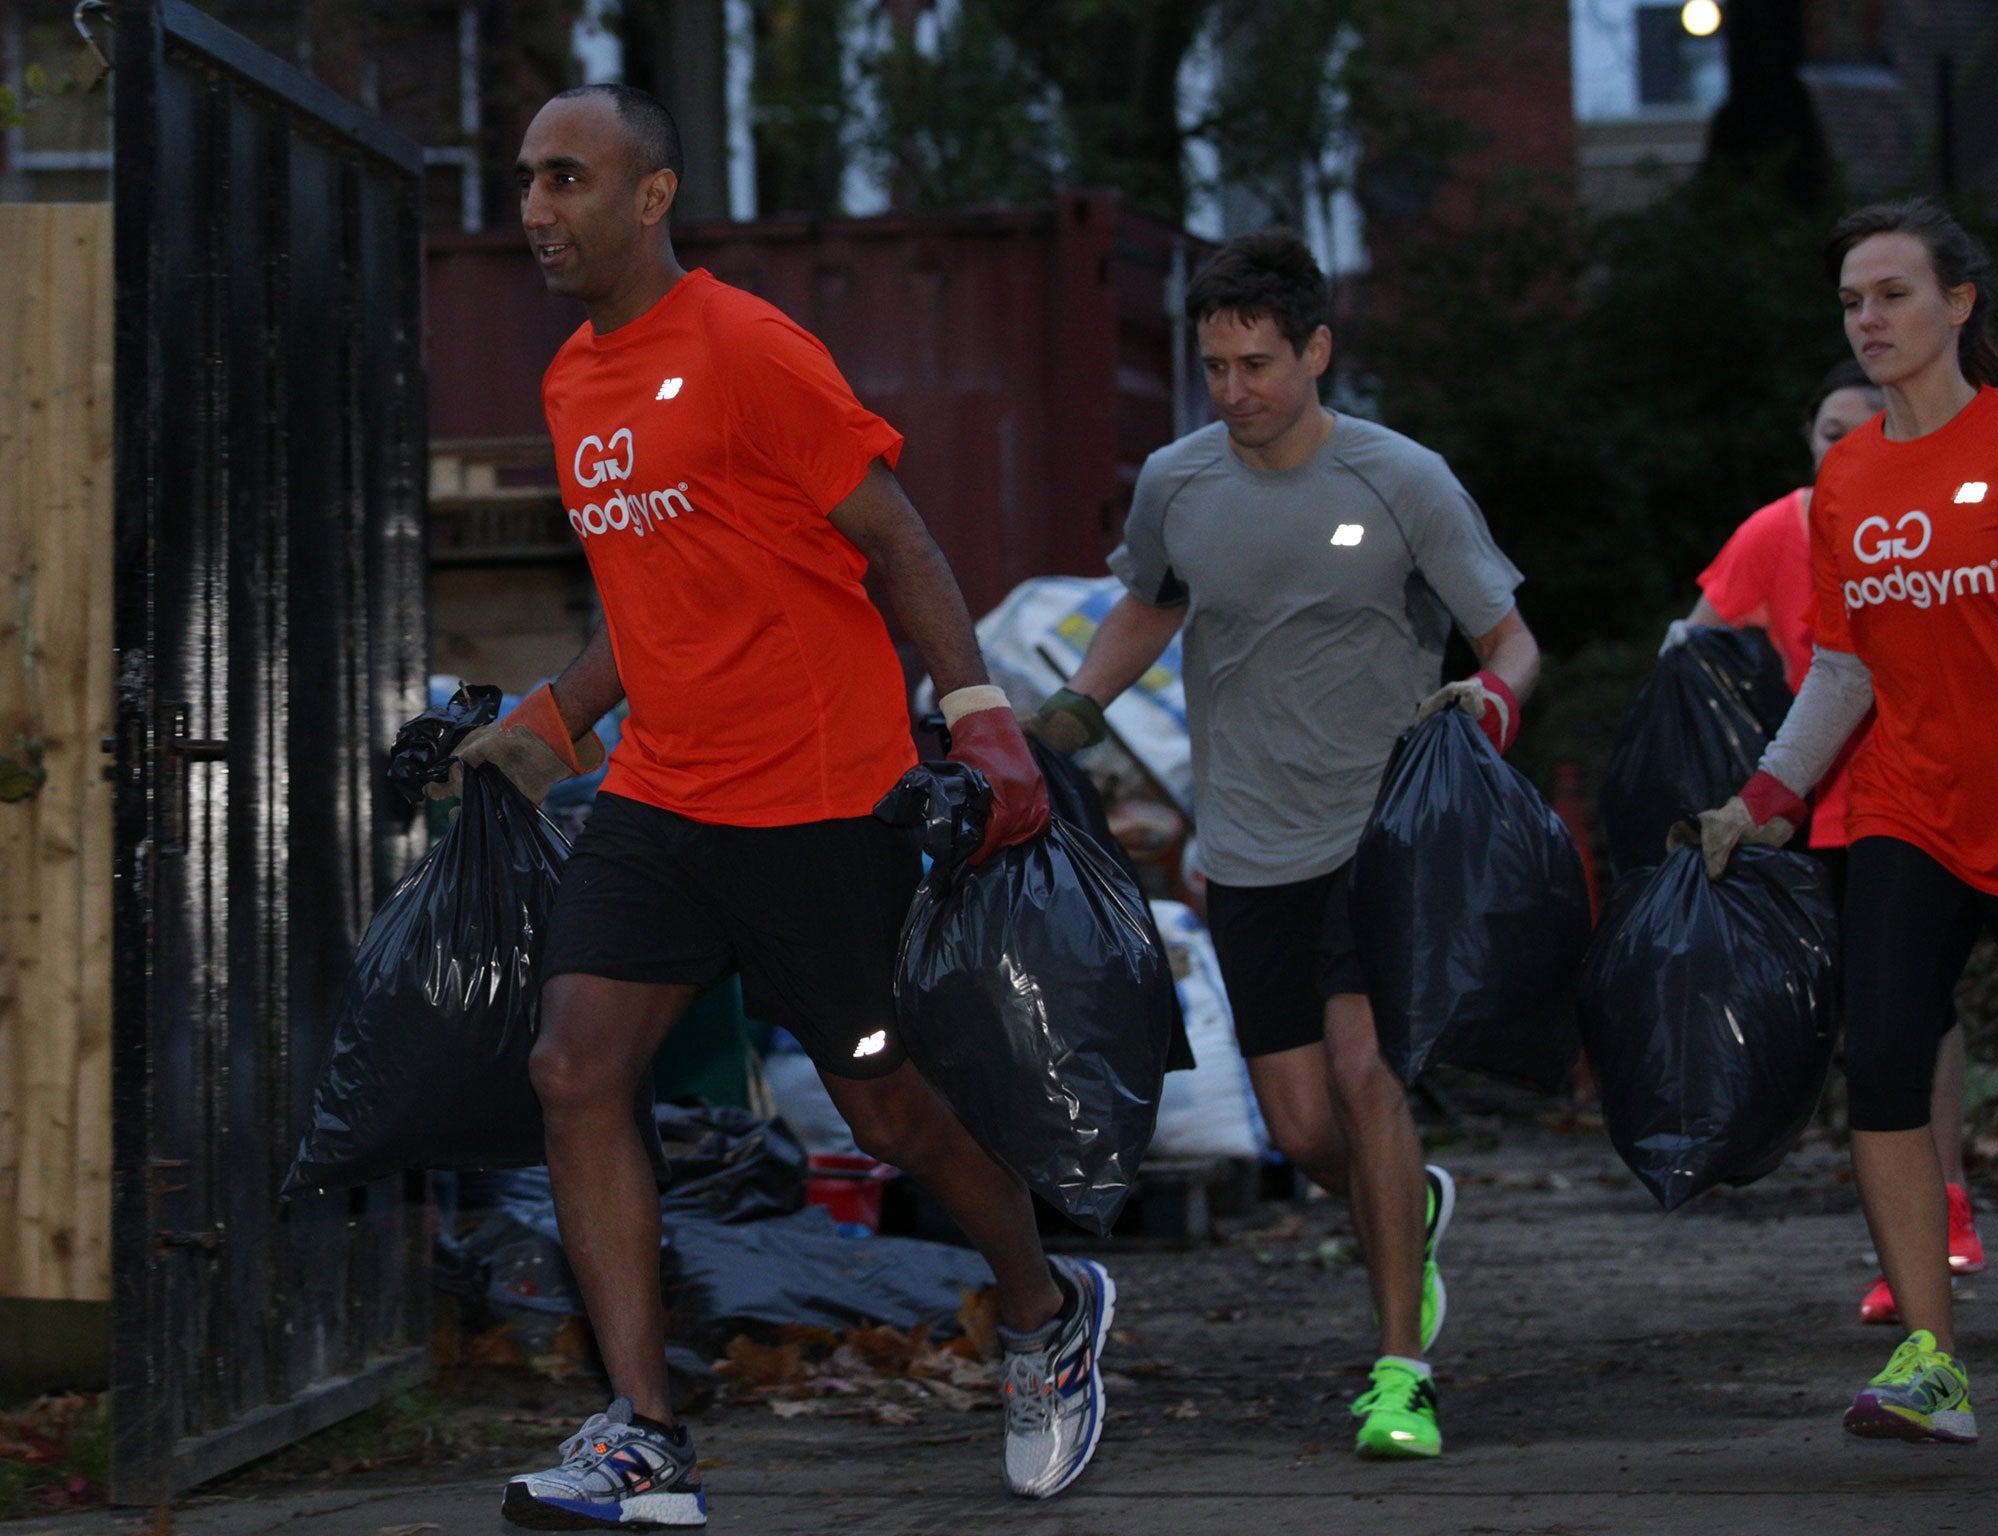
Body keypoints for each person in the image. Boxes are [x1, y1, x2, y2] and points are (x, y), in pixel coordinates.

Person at [447, 85, 1116, 1529]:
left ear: (650, 196)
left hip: (822, 805)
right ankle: (646, 1439)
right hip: (663, 800)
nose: (536, 209)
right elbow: (650, 596)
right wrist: (554, 717)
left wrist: (985, 724)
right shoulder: (572, 383)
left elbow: (899, 539)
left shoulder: (750, 350)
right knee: (574, 1071)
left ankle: (1046, 1307)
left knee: (890, 1120)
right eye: (524, 181)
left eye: (567, 180)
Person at [1031, 231, 1539, 1462]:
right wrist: (1062, 718)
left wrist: (1489, 704)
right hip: (1249, 847)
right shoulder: (1176, 482)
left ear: (1316, 351)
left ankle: (1396, 1374)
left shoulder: (1400, 479)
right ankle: (1403, 1212)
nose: (1233, 391)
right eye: (1213, 367)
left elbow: (1508, 638)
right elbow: (1148, 602)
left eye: (1256, 364)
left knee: (1368, 1081)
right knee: (1306, 1128)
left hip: (1382, 835)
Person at [1686, 198, 1998, 1447]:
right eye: (1851, 300)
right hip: (1904, 811)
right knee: (1884, 1065)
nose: (1868, 318)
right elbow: (1840, 669)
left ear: (1957, 304)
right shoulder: (1844, 476)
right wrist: (1763, 797)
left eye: (1891, 294)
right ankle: (1930, 1363)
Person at [1665, 360, 1986, 1323]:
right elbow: (1697, 648)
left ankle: (1950, 1204)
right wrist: (1732, 779)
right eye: (1828, 433)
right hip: (1838, 809)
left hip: (1973, 799)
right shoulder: (1784, 527)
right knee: (1885, 1022)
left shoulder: (1964, 491)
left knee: (1923, 1012)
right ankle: (1926, 1262)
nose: (1847, 446)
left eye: (1866, 425)